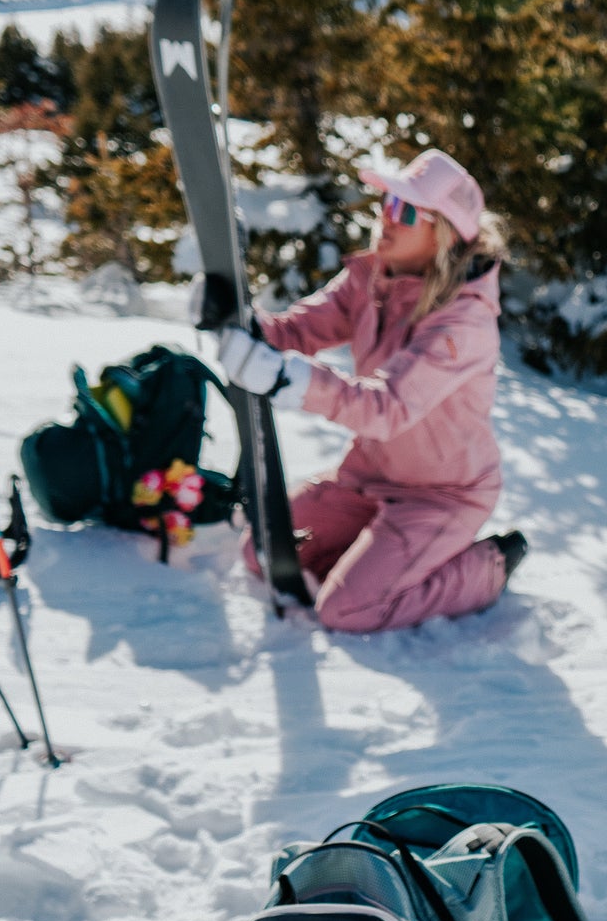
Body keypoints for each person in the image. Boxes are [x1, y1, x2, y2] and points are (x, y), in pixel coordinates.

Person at [214, 147, 526, 632]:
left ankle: (489, 567)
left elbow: (386, 407)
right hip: (367, 476)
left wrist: (289, 379)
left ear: (444, 232)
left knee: (347, 610)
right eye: (387, 201)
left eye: (407, 211)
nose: (388, 217)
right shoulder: (373, 278)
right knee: (265, 553)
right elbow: (295, 331)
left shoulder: (463, 322)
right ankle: (375, 559)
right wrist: (237, 322)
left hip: (441, 495)